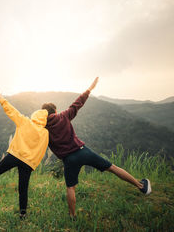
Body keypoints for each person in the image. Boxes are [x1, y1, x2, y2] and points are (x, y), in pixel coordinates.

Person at [42, 77, 152, 219]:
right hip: (82, 152)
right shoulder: (63, 116)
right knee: (112, 167)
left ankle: (72, 216)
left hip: (68, 160)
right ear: (55, 111)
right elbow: (78, 103)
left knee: (70, 187)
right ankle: (141, 186)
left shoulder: (43, 129)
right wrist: (89, 89)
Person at [0, 91, 49, 219]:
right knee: (23, 188)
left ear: (35, 115)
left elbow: (12, 111)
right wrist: (33, 164)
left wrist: (1, 99)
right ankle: (23, 213)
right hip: (28, 162)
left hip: (15, 155)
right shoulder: (45, 133)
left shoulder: (25, 121)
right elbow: (42, 150)